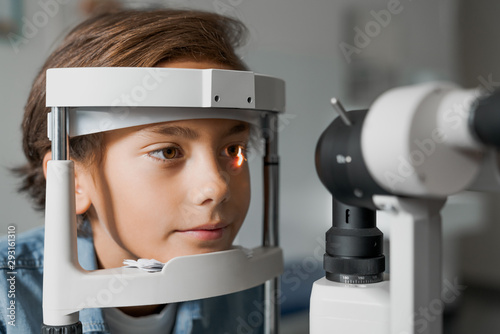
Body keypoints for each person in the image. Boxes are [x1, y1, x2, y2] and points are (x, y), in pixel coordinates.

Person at [0, 9, 265, 334]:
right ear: (74, 182)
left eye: (233, 150)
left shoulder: (245, 287)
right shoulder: (6, 296)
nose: (217, 186)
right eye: (168, 152)